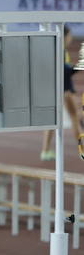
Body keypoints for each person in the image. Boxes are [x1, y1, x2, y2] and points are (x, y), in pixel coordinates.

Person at [41, 27, 79, 161]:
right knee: (75, 116)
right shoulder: (59, 49)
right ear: (65, 36)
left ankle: (45, 151)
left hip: (59, 87)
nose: (71, 39)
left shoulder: (57, 48)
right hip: (61, 89)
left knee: (55, 120)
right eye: (70, 36)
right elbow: (63, 70)